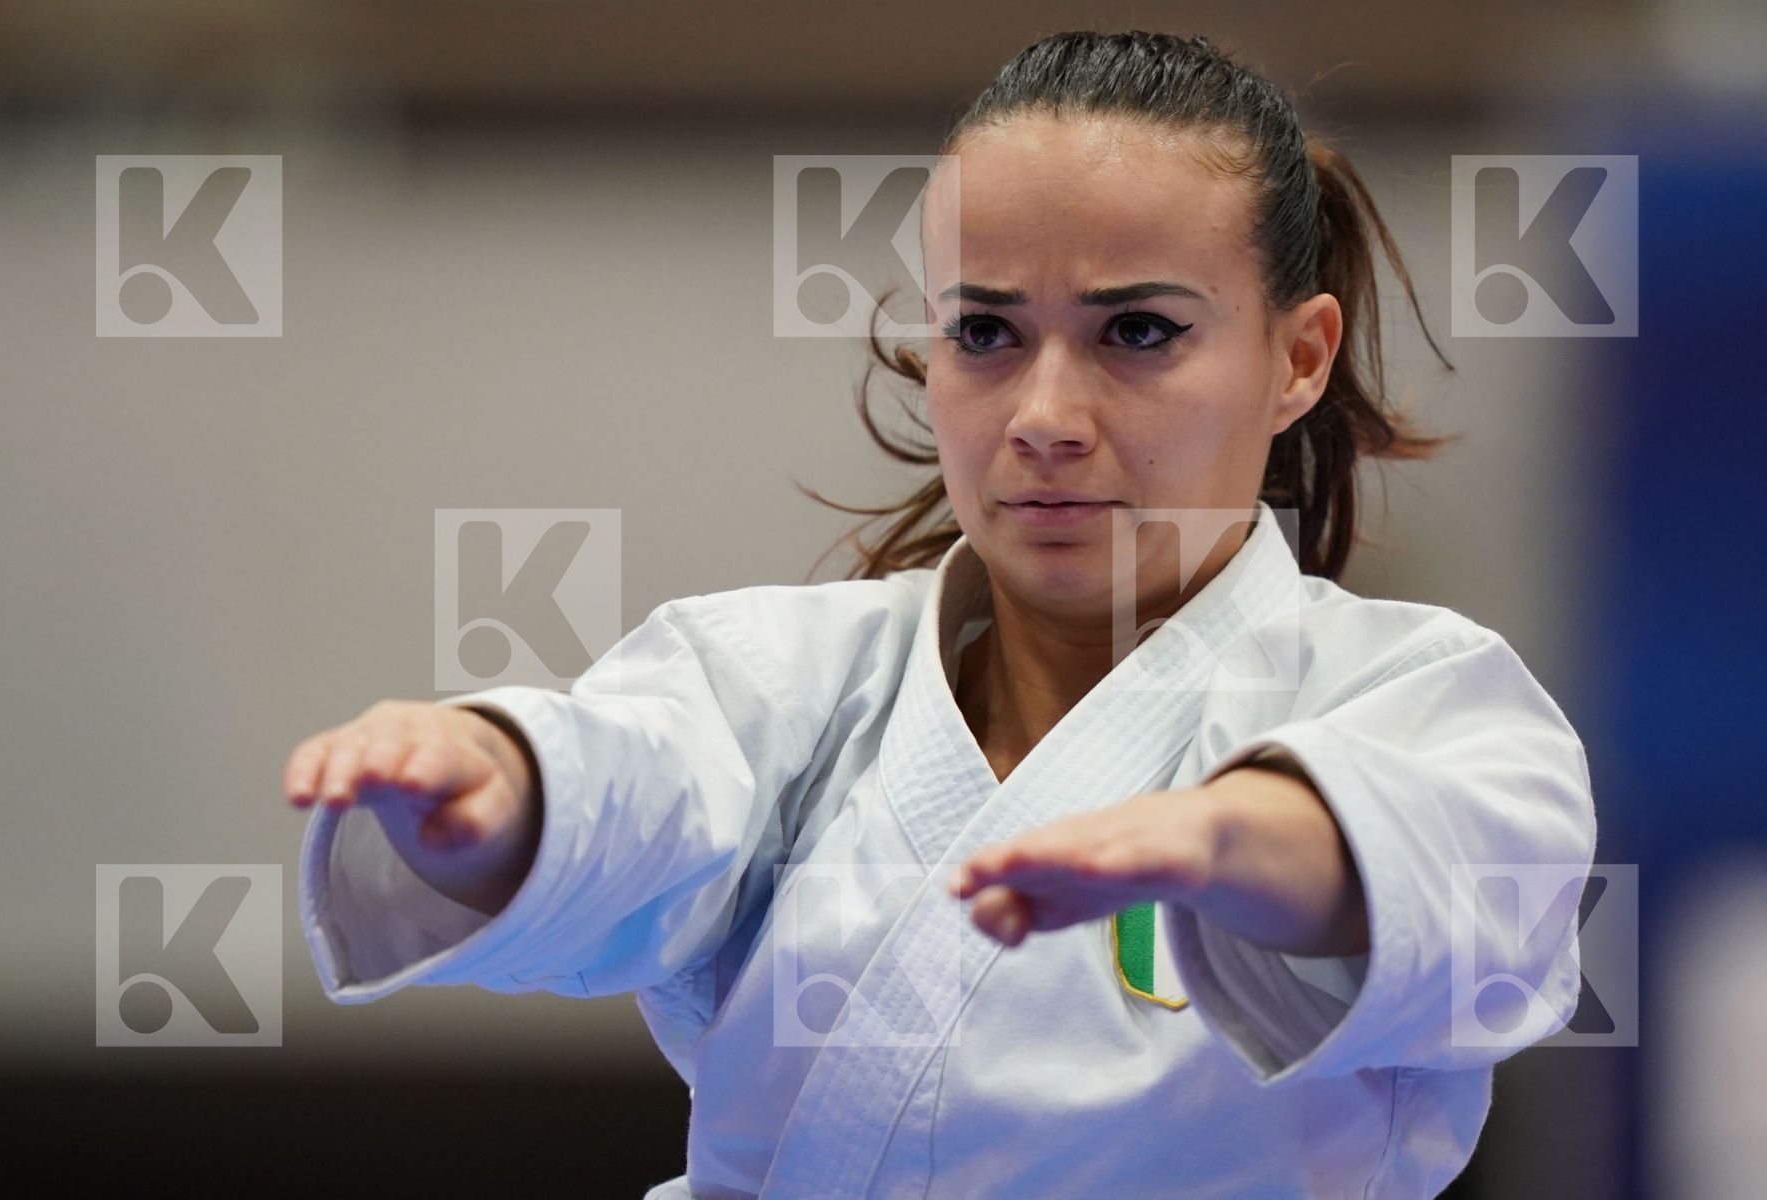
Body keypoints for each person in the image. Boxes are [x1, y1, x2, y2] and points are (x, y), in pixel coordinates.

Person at [282, 30, 1596, 1199]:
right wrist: (494, 791)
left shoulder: (1418, 694)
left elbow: (1461, 869)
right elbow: (634, 784)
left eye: (1137, 332)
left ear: (1298, 357)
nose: (1043, 417)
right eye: (985, 332)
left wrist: (1236, 839)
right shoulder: (783, 678)